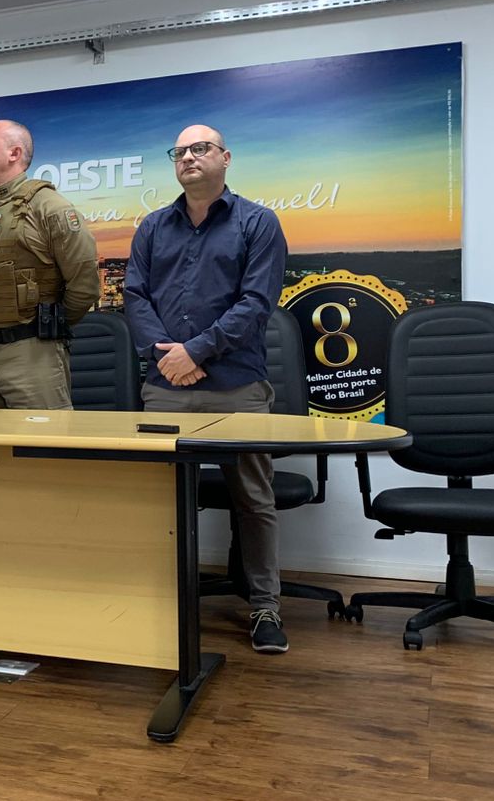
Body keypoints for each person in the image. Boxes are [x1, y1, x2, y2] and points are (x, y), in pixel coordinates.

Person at [124, 124, 291, 654]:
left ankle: (264, 606)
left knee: (253, 498)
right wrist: (165, 356)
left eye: (201, 148)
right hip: (166, 386)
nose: (188, 157)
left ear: (226, 157)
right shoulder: (153, 227)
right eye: (180, 151)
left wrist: (194, 352)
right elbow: (134, 296)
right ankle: (162, 600)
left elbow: (256, 303)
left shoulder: (258, 223)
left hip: (236, 386)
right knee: (160, 502)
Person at [0, 119, 99, 409]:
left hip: (32, 353)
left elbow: (85, 284)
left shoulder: (48, 207)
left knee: (41, 436)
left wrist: (46, 326)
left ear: (14, 153)